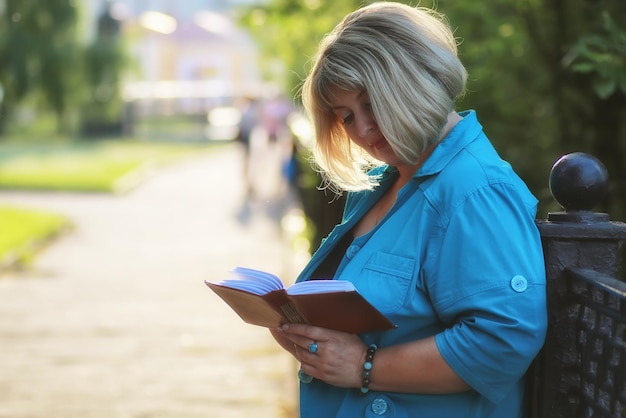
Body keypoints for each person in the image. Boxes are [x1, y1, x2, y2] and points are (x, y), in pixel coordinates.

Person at [270, 2, 548, 417]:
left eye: (370, 103)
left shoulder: (474, 189)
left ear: (414, 81)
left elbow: (503, 340)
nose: (362, 130)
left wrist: (364, 366)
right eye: (345, 116)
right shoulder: (387, 181)